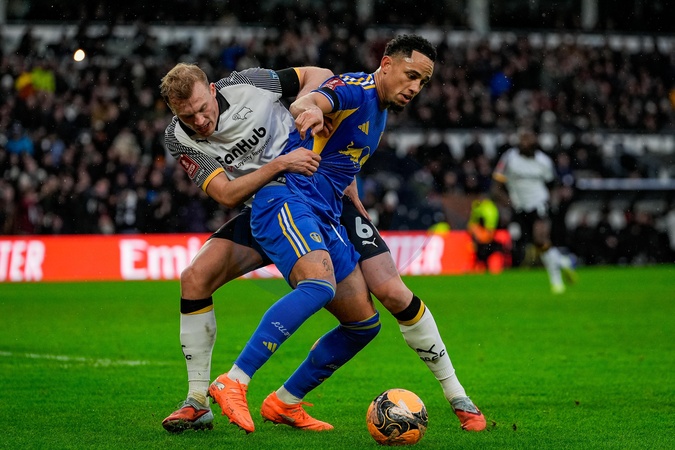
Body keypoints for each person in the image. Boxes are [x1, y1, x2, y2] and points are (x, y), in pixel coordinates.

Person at [162, 35, 485, 435]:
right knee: (200, 279)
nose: (198, 121)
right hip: (279, 193)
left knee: (365, 322)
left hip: (322, 200)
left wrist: (311, 114)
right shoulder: (178, 138)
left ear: (213, 90)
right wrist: (306, 115)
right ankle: (206, 397)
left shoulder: (250, 83)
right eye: (187, 115)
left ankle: (285, 401)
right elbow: (227, 192)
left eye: (202, 109)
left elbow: (317, 80)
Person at [491, 128, 577, 293]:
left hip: (539, 203)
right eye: (523, 139)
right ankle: (563, 262)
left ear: (535, 142)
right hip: (519, 206)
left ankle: (556, 282)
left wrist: (552, 204)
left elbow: (552, 185)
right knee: (540, 245)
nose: (525, 143)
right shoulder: (509, 158)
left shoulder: (544, 161)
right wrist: (507, 201)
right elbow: (497, 183)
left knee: (540, 238)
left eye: (529, 139)